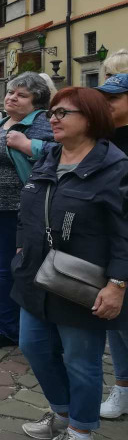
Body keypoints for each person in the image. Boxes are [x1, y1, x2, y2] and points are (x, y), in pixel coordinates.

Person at [12, 87, 128, 440]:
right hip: (37, 275)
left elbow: (124, 233)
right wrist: (21, 248)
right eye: (52, 112)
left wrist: (117, 284)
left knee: (81, 359)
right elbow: (28, 209)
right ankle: (62, 413)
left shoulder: (116, 167)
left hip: (83, 282)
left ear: (91, 119)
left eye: (64, 112)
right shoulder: (49, 157)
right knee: (33, 345)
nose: (53, 119)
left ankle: (81, 432)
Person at [0, 73, 55, 350]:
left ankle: (38, 332)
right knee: (6, 271)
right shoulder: (1, 123)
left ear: (37, 101)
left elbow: (61, 151)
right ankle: (9, 328)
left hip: (25, 211)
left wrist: (28, 145)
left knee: (29, 271)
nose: (12, 97)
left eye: (21, 95)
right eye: (10, 92)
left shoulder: (40, 122)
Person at [96, 73, 128, 419]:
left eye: (114, 98)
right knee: (116, 324)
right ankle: (122, 387)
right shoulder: (102, 139)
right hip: (107, 243)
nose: (106, 104)